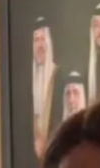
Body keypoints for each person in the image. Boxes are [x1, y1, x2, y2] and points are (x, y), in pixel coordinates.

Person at [32, 16, 59, 158]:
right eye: (36, 40)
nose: (40, 45)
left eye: (43, 39)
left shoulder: (58, 76)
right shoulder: (30, 80)